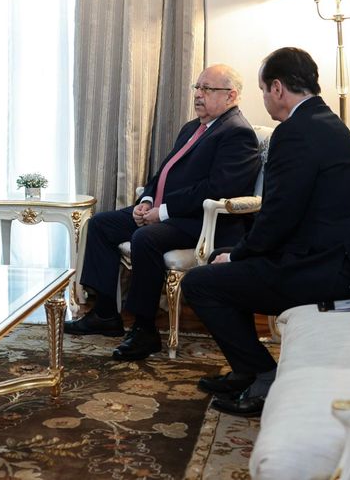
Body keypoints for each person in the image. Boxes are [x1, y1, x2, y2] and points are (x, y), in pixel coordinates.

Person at [181, 48, 350, 417]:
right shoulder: (327, 122)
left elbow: (278, 214)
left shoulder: (294, 132)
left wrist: (241, 253)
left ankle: (263, 374)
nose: (264, 100)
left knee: (201, 282)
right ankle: (247, 370)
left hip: (327, 272)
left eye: (263, 90)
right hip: (339, 262)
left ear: (277, 88)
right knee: (221, 265)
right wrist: (241, 254)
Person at [66, 64, 262, 361]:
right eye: (197, 87)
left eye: (207, 89)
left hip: (206, 223)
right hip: (168, 213)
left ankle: (145, 330)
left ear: (230, 95)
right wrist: (146, 200)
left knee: (146, 238)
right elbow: (163, 173)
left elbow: (216, 189)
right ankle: (106, 314)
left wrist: (163, 212)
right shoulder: (192, 128)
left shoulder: (237, 133)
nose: (198, 95)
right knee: (102, 224)